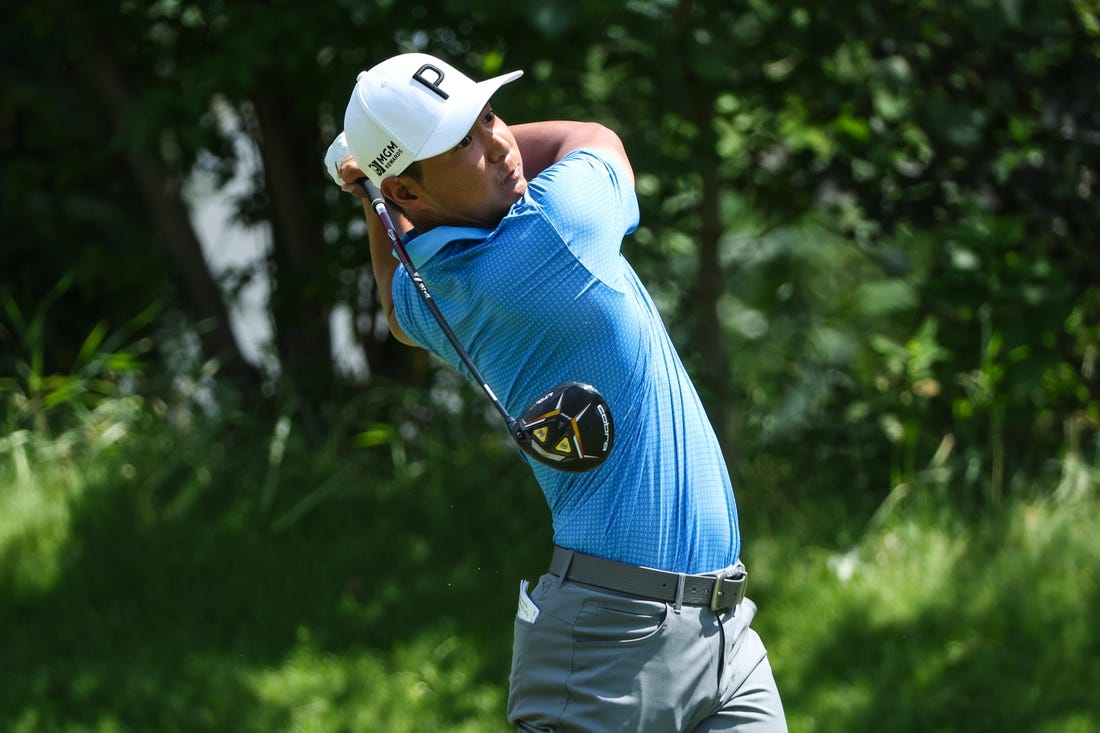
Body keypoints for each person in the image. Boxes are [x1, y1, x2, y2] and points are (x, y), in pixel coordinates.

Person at [326, 51, 787, 732]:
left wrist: (373, 195)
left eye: (489, 119)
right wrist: (375, 184)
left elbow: (395, 309)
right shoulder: (553, 230)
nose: (501, 145)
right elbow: (597, 139)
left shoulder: (441, 292)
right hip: (612, 650)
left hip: (724, 635)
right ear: (411, 194)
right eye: (462, 144)